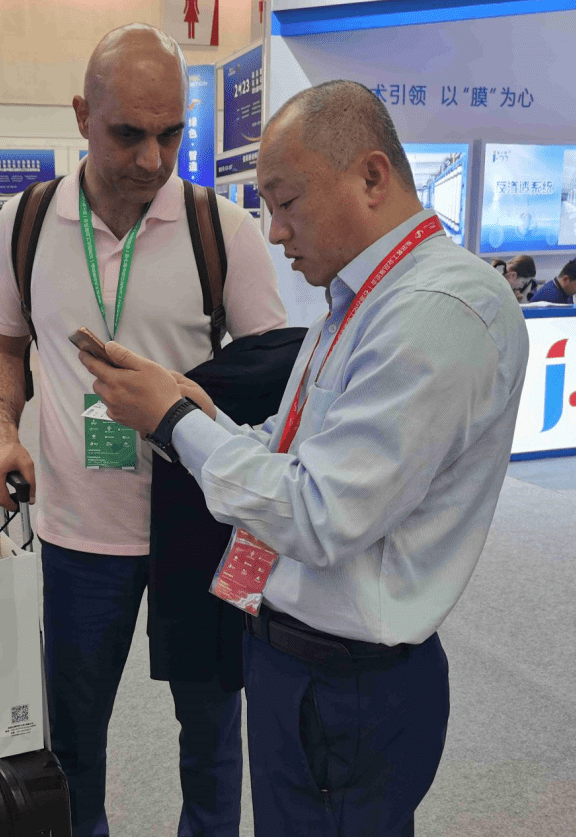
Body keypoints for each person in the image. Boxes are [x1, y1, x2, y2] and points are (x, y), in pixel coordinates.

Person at [81, 80, 529, 836]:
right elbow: (292, 453)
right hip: (300, 660)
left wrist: (176, 421)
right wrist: (195, 412)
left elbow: (321, 511)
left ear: (372, 177)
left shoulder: (436, 311)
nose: (276, 231)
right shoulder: (363, 300)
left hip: (347, 682)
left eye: (287, 202)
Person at [0, 23, 287, 837]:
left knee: (210, 738)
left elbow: (275, 384)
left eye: (171, 133)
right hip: (78, 536)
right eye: (129, 134)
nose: (153, 158)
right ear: (83, 115)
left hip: (202, 530)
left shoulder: (224, 232)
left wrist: (191, 409)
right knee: (73, 744)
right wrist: (2, 431)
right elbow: (2, 347)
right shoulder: (27, 222)